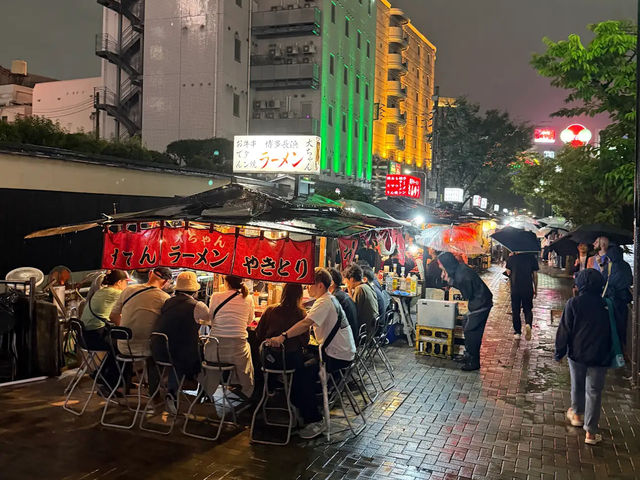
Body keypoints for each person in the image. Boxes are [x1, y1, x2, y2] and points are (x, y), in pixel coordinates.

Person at [267, 268, 356, 439]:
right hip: (344, 352)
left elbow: (305, 323)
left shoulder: (324, 302)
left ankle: (314, 420)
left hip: (336, 356)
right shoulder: (328, 299)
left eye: (309, 285)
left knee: (301, 375)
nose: (307, 289)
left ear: (320, 285)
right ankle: (307, 412)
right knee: (302, 367)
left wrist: (283, 336)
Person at [555, 269, 613, 446]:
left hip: (577, 353)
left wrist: (559, 352)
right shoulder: (606, 304)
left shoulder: (574, 303)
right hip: (600, 354)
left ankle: (577, 415)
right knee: (594, 392)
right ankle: (590, 433)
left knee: (577, 385)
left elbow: (564, 330)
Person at [155, 271, 208, 401]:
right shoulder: (198, 305)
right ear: (195, 290)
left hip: (159, 350)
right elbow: (210, 320)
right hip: (181, 353)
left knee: (178, 355)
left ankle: (173, 391)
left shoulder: (167, 302)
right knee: (204, 356)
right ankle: (203, 393)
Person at [437, 252, 493, 371]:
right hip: (478, 302)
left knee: (472, 332)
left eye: (440, 264)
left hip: (481, 304)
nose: (439, 266)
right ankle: (468, 355)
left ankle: (474, 362)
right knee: (466, 324)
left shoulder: (462, 275)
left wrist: (450, 281)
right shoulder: (459, 269)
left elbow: (467, 294)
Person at [202, 275, 255, 399]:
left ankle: (208, 389)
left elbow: (211, 318)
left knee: (211, 360)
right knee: (247, 347)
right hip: (237, 352)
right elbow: (249, 320)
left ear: (226, 282)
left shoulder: (215, 296)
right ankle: (247, 390)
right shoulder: (248, 298)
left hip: (215, 352)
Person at [79, 269, 130, 391]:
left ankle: (101, 374)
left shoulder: (103, 291)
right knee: (122, 347)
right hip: (94, 336)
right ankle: (111, 384)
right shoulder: (115, 293)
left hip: (84, 335)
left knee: (116, 345)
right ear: (119, 282)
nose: (127, 285)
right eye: (126, 282)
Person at [111, 267, 172, 357]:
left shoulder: (128, 290)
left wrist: (126, 331)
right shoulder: (165, 298)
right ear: (165, 282)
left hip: (123, 346)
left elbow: (113, 316)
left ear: (150, 273)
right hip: (146, 348)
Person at [602, 245, 632, 349]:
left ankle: (612, 347)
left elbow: (604, 280)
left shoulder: (610, 266)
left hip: (611, 299)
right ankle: (621, 346)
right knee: (622, 323)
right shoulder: (626, 265)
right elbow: (630, 280)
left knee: (611, 323)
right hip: (624, 299)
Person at [505, 252, 539, 340]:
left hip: (515, 288)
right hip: (528, 288)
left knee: (515, 310)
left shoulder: (512, 258)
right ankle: (528, 324)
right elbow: (535, 275)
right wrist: (536, 288)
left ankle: (517, 332)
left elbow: (508, 273)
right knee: (527, 309)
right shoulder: (532, 258)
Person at [343, 263, 379, 337]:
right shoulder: (367, 286)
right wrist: (350, 291)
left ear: (352, 279)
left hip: (364, 331)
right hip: (372, 327)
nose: (345, 284)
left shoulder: (360, 289)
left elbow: (354, 312)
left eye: (346, 281)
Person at [328, 268, 359, 340]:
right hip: (353, 336)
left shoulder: (336, 297)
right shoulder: (341, 294)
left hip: (346, 340)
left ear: (331, 283)